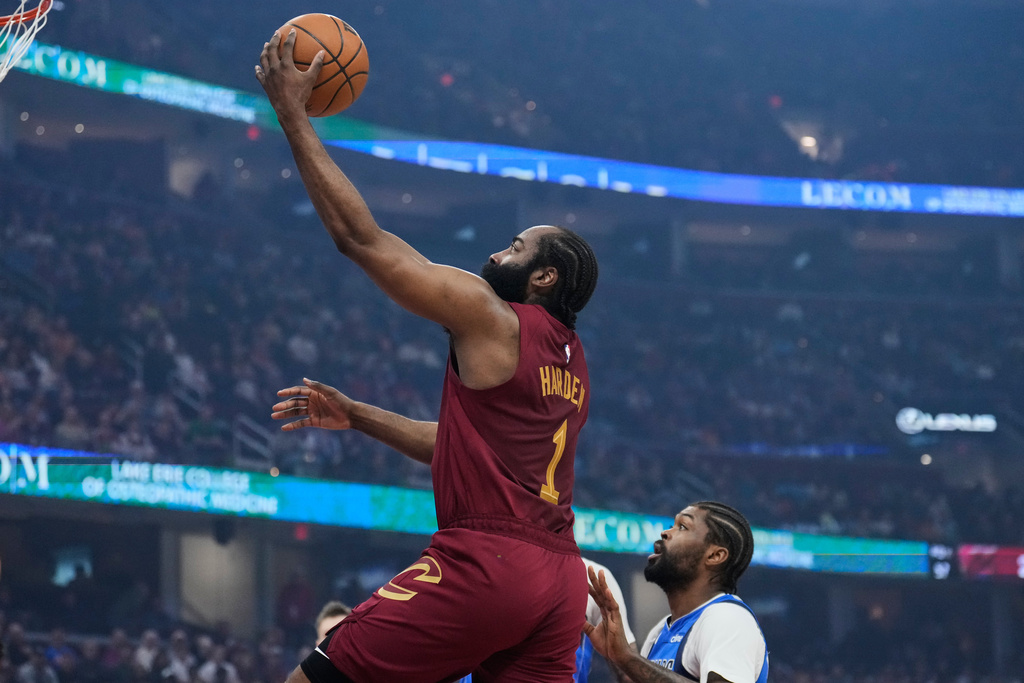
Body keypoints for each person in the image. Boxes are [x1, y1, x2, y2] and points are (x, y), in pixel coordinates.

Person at [258, 27, 599, 683]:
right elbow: (462, 445)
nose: (501, 249)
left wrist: (294, 117)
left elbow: (361, 240)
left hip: (488, 562)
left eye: (518, 244)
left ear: (545, 277)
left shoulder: (493, 314)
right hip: (559, 581)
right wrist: (356, 414)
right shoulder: (573, 363)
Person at [585, 502, 768, 683]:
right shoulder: (659, 632)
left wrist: (627, 657)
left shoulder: (728, 618)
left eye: (682, 527)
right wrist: (619, 658)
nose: (665, 533)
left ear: (714, 556)